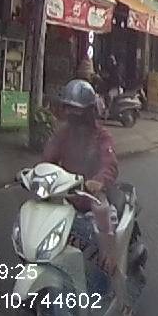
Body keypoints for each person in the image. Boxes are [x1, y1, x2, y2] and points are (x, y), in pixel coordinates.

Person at [43, 79, 122, 301]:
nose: (72, 114)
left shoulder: (102, 136)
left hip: (93, 199)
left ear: (88, 111)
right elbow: (48, 159)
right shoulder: (63, 133)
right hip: (67, 199)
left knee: (101, 221)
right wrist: (37, 174)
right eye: (69, 108)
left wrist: (98, 181)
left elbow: (109, 164)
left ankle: (105, 283)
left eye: (77, 109)